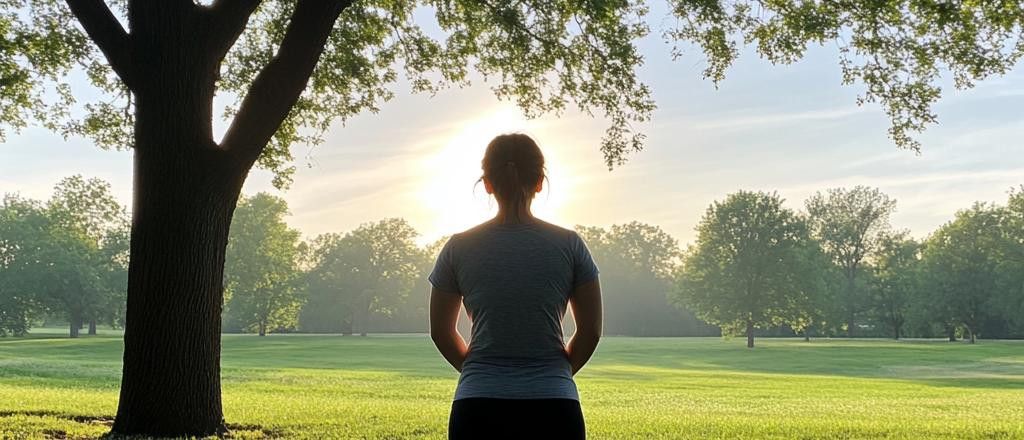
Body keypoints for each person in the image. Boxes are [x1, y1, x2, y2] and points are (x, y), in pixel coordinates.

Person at [428, 133, 604, 439]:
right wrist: (556, 374)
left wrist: (478, 372)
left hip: (477, 404)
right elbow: (591, 332)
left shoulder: (458, 247)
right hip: (555, 404)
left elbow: (441, 332)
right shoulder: (570, 245)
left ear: (487, 183)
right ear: (539, 181)